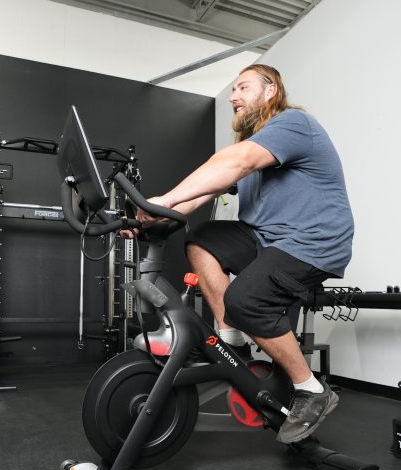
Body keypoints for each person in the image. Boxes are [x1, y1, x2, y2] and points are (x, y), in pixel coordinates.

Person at [134, 64, 354, 444]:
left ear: (271, 92)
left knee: (246, 300)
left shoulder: (292, 124)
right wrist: (154, 218)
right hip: (267, 237)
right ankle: (230, 337)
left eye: (243, 88)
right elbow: (206, 191)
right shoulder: (254, 145)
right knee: (202, 239)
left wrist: (164, 200)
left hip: (313, 241)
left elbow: (237, 162)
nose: (234, 96)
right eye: (233, 89)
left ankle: (312, 390)